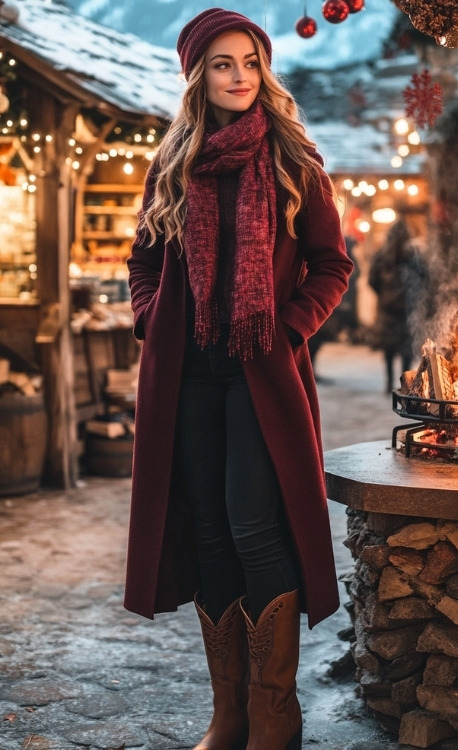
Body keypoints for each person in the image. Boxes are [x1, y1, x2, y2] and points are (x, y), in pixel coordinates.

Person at [123, 9, 353, 750]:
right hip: (187, 373)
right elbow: (145, 261)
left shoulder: (294, 160)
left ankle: (273, 710)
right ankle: (230, 714)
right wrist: (149, 317)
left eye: (250, 61)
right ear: (198, 75)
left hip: (261, 375)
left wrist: (288, 328)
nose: (240, 75)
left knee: (255, 527)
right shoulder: (173, 165)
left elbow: (331, 264)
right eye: (223, 63)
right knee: (213, 534)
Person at [368, 218, 429, 393]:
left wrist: (383, 294)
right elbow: (425, 277)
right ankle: (406, 385)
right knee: (406, 350)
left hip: (388, 309)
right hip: (407, 309)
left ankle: (388, 384)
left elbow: (372, 280)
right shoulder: (414, 254)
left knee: (388, 349)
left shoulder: (381, 254)